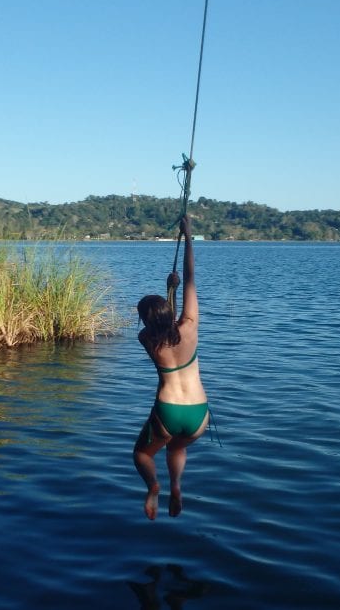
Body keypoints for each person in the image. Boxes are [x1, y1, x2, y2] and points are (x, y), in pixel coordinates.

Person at [133, 214, 209, 520]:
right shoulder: (190, 327)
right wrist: (188, 236)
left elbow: (162, 328)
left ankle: (154, 487)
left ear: (145, 321)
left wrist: (168, 293)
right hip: (197, 412)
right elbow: (191, 277)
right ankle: (177, 484)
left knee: (142, 454)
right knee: (177, 448)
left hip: (168, 410)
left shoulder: (147, 339)